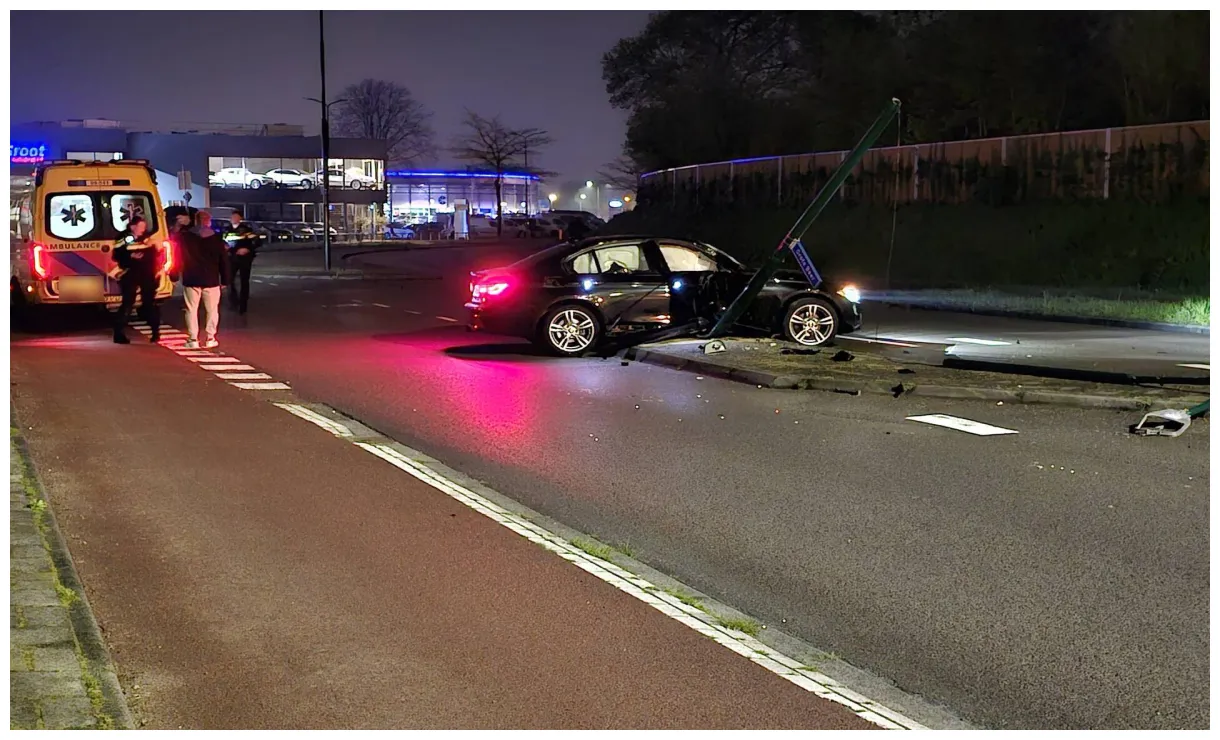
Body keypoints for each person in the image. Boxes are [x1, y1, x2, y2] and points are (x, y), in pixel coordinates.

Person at [178, 210, 230, 349]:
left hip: (191, 277)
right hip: (211, 279)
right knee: (212, 310)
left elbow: (179, 256)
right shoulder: (216, 238)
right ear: (208, 221)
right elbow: (223, 260)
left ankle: (193, 339)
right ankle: (210, 338)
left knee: (191, 309)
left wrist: (175, 274)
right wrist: (225, 279)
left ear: (195, 220)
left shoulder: (186, 237)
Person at [110, 216, 162, 344]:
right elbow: (116, 255)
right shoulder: (123, 238)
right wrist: (130, 256)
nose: (143, 230)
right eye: (140, 227)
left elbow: (156, 254)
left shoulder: (148, 238)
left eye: (144, 227)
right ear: (132, 226)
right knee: (128, 303)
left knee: (149, 303)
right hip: (130, 273)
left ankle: (155, 332)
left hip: (147, 274)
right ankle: (119, 334)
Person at [223, 209, 262, 315]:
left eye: (236, 217)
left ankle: (243, 304)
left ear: (240, 218)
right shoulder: (226, 230)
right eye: (232, 217)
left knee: (244, 281)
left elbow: (257, 242)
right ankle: (233, 302)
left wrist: (247, 249)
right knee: (229, 280)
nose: (234, 219)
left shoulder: (246, 230)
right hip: (231, 258)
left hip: (244, 259)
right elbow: (223, 243)